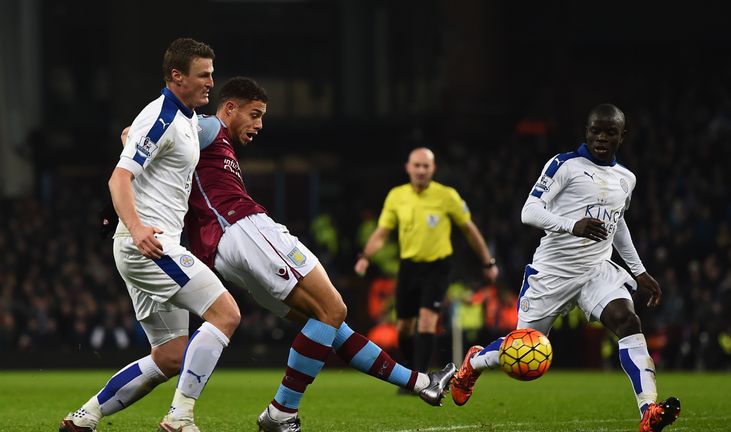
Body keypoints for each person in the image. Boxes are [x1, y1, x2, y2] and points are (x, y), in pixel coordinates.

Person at [117, 77, 457, 432]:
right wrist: (133, 151)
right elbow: (136, 134)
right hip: (244, 229)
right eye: (255, 114)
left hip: (221, 248)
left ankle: (421, 383)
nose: (260, 125)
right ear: (230, 108)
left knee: (328, 323)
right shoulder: (206, 126)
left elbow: (139, 140)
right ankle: (282, 412)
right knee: (333, 308)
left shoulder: (215, 145)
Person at [450, 104, 681, 432]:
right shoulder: (565, 166)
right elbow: (528, 211)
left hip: (596, 271)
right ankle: (473, 363)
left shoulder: (625, 179)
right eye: (595, 131)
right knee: (524, 348)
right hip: (552, 274)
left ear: (622, 136)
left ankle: (649, 410)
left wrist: (639, 271)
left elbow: (619, 225)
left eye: (609, 132)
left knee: (628, 321)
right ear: (586, 131)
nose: (601, 138)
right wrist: (572, 225)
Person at [60, 38, 241, 432]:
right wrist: (138, 227)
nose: (211, 82)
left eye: (212, 73)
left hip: (149, 244)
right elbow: (119, 178)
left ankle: (83, 418)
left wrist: (131, 141)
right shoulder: (161, 115)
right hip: (151, 245)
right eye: (203, 75)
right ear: (178, 77)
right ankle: (180, 418)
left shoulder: (186, 119)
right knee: (226, 313)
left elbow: (144, 154)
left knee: (171, 356)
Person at [354, 148, 498, 376]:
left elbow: (470, 230)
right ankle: (412, 372)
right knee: (403, 329)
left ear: (433, 169)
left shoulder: (447, 196)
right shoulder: (396, 196)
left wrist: (487, 263)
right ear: (408, 168)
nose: (421, 170)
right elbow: (382, 233)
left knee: (427, 322)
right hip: (409, 267)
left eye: (426, 166)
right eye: (417, 165)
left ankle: (418, 379)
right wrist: (365, 258)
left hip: (437, 267)